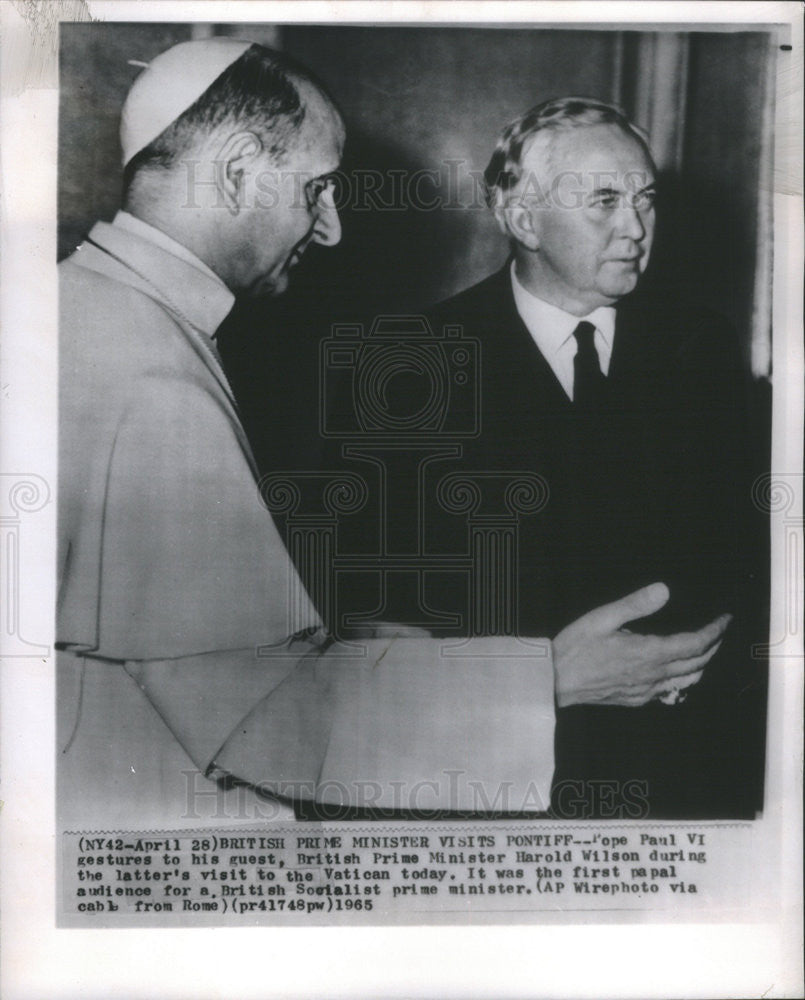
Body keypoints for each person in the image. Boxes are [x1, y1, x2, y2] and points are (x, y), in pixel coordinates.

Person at [57, 45, 730, 827]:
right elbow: (259, 715)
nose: (332, 228)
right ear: (237, 173)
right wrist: (548, 676)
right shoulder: (152, 377)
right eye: (315, 189)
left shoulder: (82, 315)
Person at [422, 97, 767, 817]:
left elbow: (741, 554)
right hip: (497, 780)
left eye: (645, 200)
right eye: (604, 201)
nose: (636, 228)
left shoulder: (699, 345)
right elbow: (381, 617)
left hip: (680, 768)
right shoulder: (415, 361)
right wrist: (545, 675)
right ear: (522, 220)